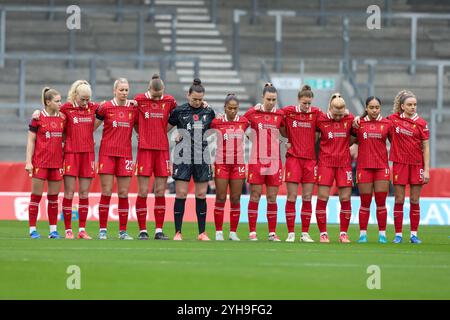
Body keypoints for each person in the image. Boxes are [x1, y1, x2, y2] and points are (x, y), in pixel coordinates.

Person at [32, 80, 101, 239]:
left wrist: (132, 102)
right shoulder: (65, 108)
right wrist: (36, 112)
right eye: (83, 99)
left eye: (88, 99)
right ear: (75, 95)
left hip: (88, 154)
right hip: (70, 154)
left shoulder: (93, 107)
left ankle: (82, 230)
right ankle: (68, 230)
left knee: (84, 193)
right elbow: (50, 113)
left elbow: (111, 107)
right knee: (69, 193)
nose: (86, 102)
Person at [168, 78, 216, 241]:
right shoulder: (179, 111)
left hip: (202, 155)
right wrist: (175, 136)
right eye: (194, 98)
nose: (197, 102)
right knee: (181, 193)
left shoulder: (209, 112)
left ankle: (202, 233)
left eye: (200, 99)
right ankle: (178, 232)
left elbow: (216, 129)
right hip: (183, 156)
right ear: (188, 95)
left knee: (201, 194)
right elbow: (165, 128)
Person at [134, 74, 177, 240]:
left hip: (162, 150)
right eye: (154, 95)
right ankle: (142, 230)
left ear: (163, 91)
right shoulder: (139, 100)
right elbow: (134, 121)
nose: (157, 98)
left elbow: (181, 114)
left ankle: (159, 230)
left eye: (160, 95)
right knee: (143, 191)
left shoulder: (169, 101)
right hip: (145, 150)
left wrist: (168, 131)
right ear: (149, 89)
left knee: (160, 191)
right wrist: (140, 133)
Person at [95, 78, 138, 240]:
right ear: (114, 91)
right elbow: (91, 127)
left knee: (123, 193)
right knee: (106, 191)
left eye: (126, 90)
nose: (124, 93)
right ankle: (102, 230)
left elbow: (140, 128)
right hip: (107, 154)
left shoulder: (133, 108)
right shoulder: (105, 107)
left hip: (125, 154)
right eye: (121, 90)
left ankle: (123, 231)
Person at [244, 83, 285, 241]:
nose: (271, 102)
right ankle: (252, 232)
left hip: (275, 161)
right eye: (268, 99)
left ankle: (272, 233)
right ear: (263, 97)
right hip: (257, 160)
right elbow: (240, 125)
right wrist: (250, 137)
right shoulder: (252, 113)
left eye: (274, 99)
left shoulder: (280, 115)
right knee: (255, 195)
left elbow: (286, 132)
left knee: (272, 198)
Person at [387, 90, 430, 243]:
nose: (413, 107)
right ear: (402, 106)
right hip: (400, 164)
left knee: (414, 199)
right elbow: (376, 121)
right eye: (410, 105)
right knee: (399, 199)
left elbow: (426, 147)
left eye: (415, 104)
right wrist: (359, 118)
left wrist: (426, 170)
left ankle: (414, 234)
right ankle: (398, 234)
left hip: (417, 165)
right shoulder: (392, 120)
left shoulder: (422, 123)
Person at [282, 85, 321, 243]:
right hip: (293, 159)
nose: (307, 106)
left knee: (307, 197)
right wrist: (286, 140)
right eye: (304, 103)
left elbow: (331, 118)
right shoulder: (288, 111)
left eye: (309, 103)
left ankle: (305, 233)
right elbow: (275, 119)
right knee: (291, 196)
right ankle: (291, 232)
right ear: (299, 100)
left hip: (310, 160)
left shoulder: (316, 113)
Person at [315, 93, 355, 243]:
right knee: (323, 197)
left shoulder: (350, 119)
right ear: (330, 108)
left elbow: (356, 135)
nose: (338, 117)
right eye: (335, 114)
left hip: (344, 164)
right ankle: (323, 233)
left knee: (345, 198)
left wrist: (355, 144)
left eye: (340, 114)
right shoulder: (321, 119)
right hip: (325, 163)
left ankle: (343, 233)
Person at [26, 87, 65, 239]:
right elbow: (30, 140)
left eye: (60, 100)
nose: (60, 103)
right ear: (48, 102)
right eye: (57, 101)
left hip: (56, 164)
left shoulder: (63, 118)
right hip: (40, 163)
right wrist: (28, 162)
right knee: (36, 196)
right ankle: (32, 230)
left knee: (53, 197)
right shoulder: (37, 118)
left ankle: (53, 230)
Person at [352, 96, 392, 244]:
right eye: (371, 107)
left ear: (380, 108)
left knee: (381, 202)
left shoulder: (387, 123)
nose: (374, 110)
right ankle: (363, 234)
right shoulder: (358, 123)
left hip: (381, 168)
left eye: (377, 108)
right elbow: (349, 140)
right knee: (365, 202)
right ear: (366, 108)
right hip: (364, 167)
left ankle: (383, 234)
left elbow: (396, 142)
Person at [210, 93, 249, 241]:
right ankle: (219, 231)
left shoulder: (244, 122)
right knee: (220, 197)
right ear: (225, 108)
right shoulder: (217, 122)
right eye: (230, 108)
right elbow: (205, 121)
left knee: (235, 198)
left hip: (238, 164)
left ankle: (233, 232)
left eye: (235, 108)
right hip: (222, 163)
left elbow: (254, 115)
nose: (233, 111)